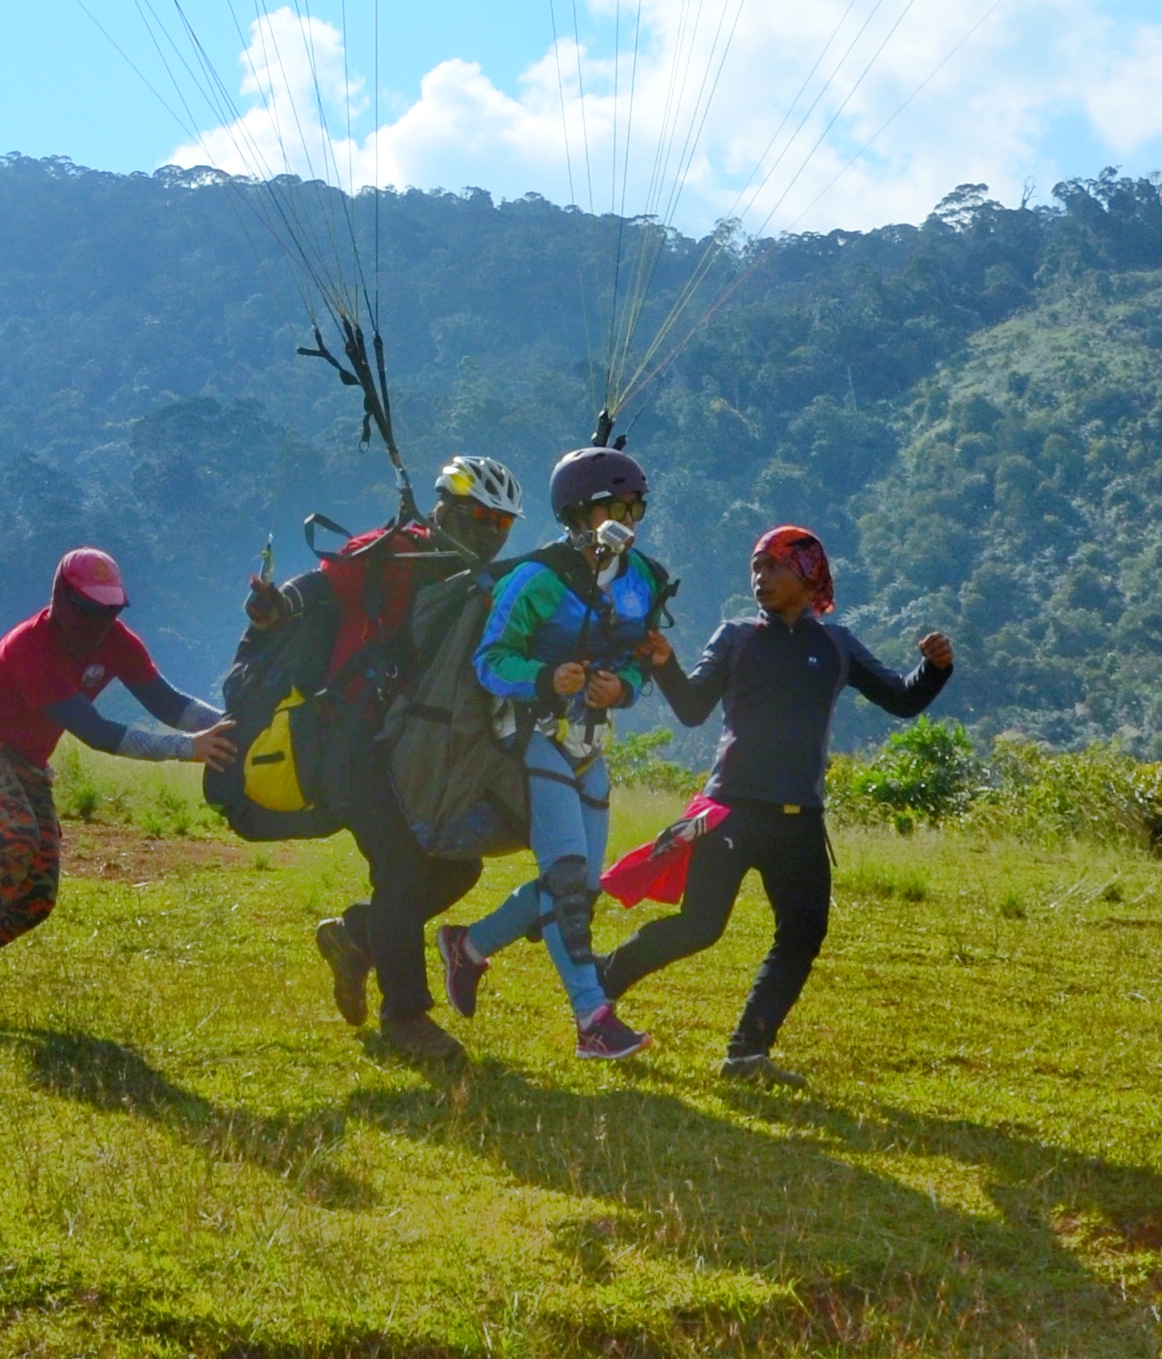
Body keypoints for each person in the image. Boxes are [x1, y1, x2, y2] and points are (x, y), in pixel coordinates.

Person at [595, 523, 954, 1074]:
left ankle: (747, 1053)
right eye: (756, 568)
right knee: (700, 927)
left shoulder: (836, 645)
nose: (760, 578)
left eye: (774, 567)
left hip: (799, 821)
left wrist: (935, 669)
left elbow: (902, 701)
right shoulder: (735, 637)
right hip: (729, 811)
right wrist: (665, 663)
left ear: (808, 575)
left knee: (803, 933)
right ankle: (601, 981)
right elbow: (692, 708)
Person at [243, 454, 519, 1066]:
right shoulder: (393, 552)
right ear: (445, 508)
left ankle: (356, 936)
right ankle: (407, 1017)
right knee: (402, 865)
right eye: (479, 518)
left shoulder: (472, 585)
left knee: (456, 867)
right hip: (346, 742)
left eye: (502, 526)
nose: (489, 534)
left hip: (402, 750)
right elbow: (316, 587)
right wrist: (275, 608)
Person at [0, 545, 234, 1013]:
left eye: (111, 611)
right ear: (65, 602)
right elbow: (94, 731)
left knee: (37, 896)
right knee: (14, 836)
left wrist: (235, 728)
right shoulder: (33, 646)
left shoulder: (117, 641)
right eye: (93, 611)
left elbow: (168, 704)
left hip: (26, 762)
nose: (102, 622)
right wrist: (187, 750)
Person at [437, 445, 679, 1062]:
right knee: (569, 882)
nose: (627, 518)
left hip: (590, 743)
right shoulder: (537, 580)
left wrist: (622, 684)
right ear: (579, 512)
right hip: (530, 737)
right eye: (614, 507)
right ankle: (592, 1019)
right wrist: (547, 678)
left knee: (578, 888)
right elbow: (490, 662)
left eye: (634, 507)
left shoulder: (642, 578)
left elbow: (640, 657)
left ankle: (468, 946)